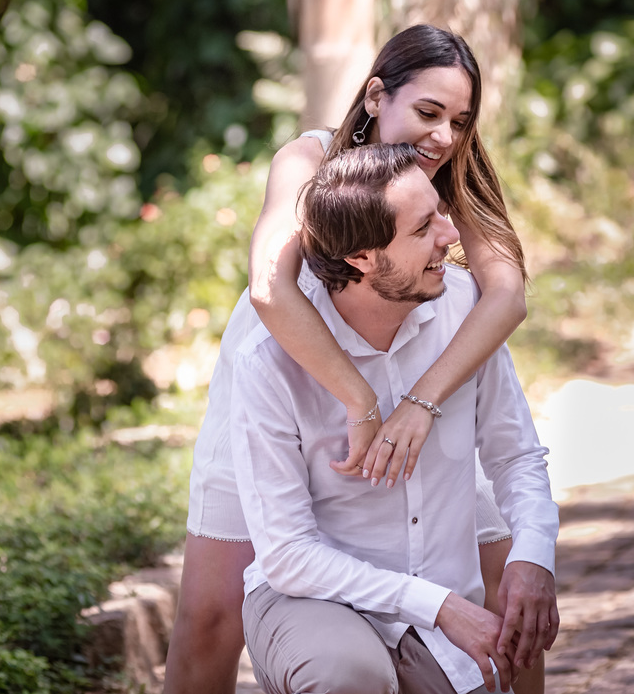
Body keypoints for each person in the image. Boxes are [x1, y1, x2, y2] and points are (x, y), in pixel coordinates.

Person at [163, 26, 537, 693]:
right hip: (289, 369)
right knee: (210, 617)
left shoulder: (449, 187)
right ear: (374, 97)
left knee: (513, 599)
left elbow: (505, 296)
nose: (444, 137)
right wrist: (358, 397)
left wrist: (421, 401)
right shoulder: (307, 158)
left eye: (460, 120)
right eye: (428, 112)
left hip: (419, 377)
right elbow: (270, 286)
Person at [234, 142, 558, 694]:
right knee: (346, 675)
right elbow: (288, 555)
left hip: (441, 605)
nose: (451, 234)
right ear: (361, 257)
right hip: (314, 601)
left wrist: (533, 556)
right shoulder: (268, 365)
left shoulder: (465, 310)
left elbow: (516, 454)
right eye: (423, 228)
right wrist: (439, 608)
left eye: (440, 212)